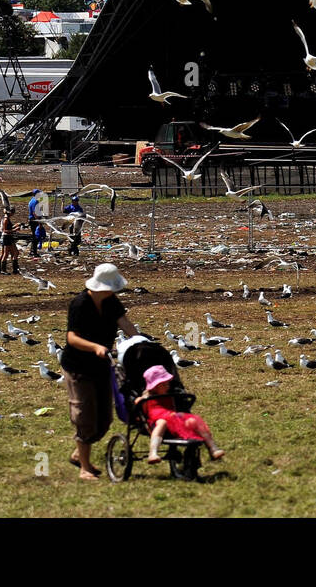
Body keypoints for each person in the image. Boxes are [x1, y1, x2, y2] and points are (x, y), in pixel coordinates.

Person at [60, 263, 141, 480]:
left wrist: (139, 341)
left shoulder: (110, 302)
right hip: (78, 366)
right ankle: (85, 468)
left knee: (104, 418)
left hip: (103, 364)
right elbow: (72, 338)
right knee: (85, 414)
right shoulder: (80, 304)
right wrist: (95, 346)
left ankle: (80, 453)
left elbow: (124, 322)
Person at [135, 364, 224, 464]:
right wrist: (140, 401)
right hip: (156, 421)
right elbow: (141, 409)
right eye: (163, 385)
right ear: (154, 387)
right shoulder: (147, 399)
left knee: (194, 420)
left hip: (173, 419)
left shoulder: (169, 395)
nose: (167, 386)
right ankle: (153, 452)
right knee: (162, 422)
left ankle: (213, 447)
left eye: (167, 383)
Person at [0, 205, 20, 275]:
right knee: (6, 254)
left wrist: (15, 226)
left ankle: (15, 269)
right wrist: (14, 230)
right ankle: (3, 270)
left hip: (9, 237)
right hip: (6, 237)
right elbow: (5, 230)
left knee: (15, 252)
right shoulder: (6, 219)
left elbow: (8, 228)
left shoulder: (7, 218)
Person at [27, 189, 43, 256]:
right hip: (34, 220)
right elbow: (34, 213)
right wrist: (39, 222)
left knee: (34, 236)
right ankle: (34, 252)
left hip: (32, 220)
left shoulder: (31, 200)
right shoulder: (35, 201)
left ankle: (32, 251)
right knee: (36, 236)